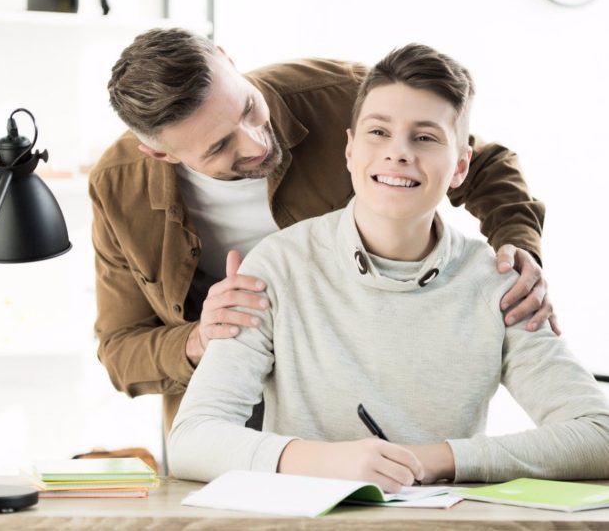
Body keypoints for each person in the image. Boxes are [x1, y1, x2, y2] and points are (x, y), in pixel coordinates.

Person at [167, 44, 609, 489]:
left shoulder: (497, 283)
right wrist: (325, 461)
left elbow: (600, 434)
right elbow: (192, 438)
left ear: (459, 167)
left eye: (425, 137)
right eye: (378, 132)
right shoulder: (276, 266)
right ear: (349, 150)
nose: (398, 153)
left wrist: (435, 460)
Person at [91, 28, 555, 434]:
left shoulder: (343, 96)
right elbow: (120, 349)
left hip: (358, 391)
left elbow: (480, 161)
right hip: (227, 409)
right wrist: (198, 340)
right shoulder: (118, 186)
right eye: (219, 146)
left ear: (228, 60)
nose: (255, 142)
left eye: (248, 108)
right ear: (160, 154)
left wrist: (519, 247)